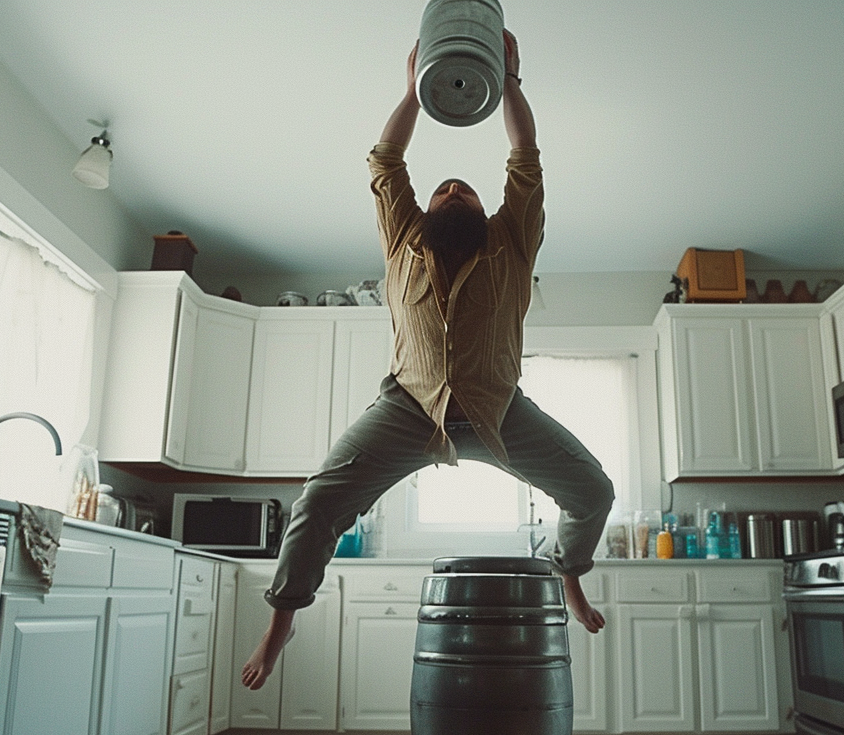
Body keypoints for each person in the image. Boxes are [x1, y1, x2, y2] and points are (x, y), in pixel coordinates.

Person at [242, 30, 614, 690]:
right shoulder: (405, 240)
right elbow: (386, 161)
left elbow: (524, 157)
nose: (449, 191)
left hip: (500, 410)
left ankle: (569, 572)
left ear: (482, 209)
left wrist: (513, 83)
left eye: (462, 190)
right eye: (442, 190)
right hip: (409, 407)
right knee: (317, 503)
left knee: (593, 490)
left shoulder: (511, 243)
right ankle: (281, 623)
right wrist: (414, 90)